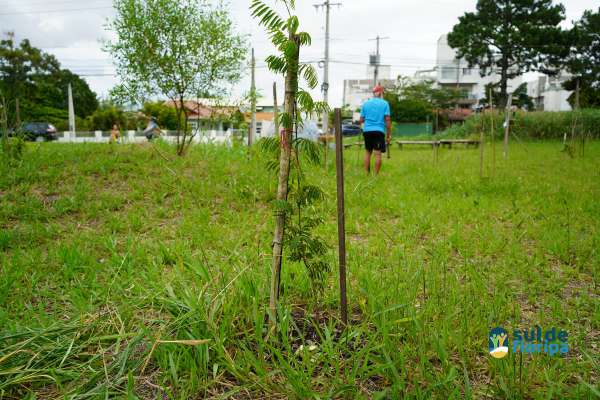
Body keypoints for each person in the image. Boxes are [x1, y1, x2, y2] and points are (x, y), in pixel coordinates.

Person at [360, 85, 392, 175]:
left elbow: (361, 120)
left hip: (367, 131)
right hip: (379, 131)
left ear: (374, 93)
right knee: (377, 154)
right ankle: (375, 176)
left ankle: (366, 174)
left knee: (367, 152)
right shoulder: (385, 103)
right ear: (381, 93)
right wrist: (388, 135)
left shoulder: (366, 104)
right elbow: (388, 120)